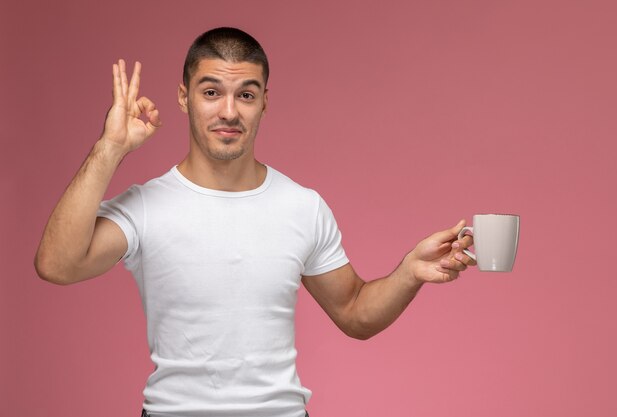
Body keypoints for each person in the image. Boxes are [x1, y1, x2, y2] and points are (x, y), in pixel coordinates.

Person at [34, 27, 476, 417]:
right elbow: (57, 264)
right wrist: (110, 147)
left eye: (245, 94)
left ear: (264, 102)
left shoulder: (303, 206)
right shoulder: (145, 206)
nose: (229, 111)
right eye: (211, 93)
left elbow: (355, 313)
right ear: (184, 96)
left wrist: (409, 273)